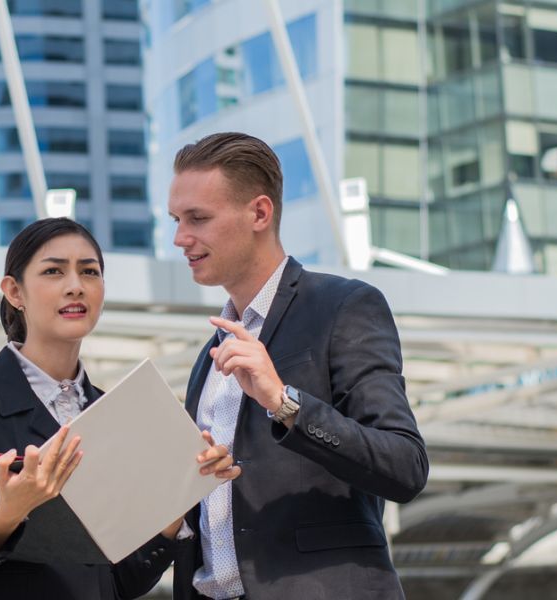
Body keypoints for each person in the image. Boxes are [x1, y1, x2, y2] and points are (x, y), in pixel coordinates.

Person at [165, 132, 429, 599]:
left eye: (198, 219)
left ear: (259, 214)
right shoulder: (208, 360)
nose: (180, 238)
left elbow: (404, 466)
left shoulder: (343, 307)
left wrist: (284, 403)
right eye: (176, 220)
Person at [0, 217, 242, 599]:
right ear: (14, 291)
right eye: (53, 271)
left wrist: (173, 503)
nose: (75, 287)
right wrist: (9, 513)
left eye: (89, 272)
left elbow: (120, 583)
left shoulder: (111, 412)